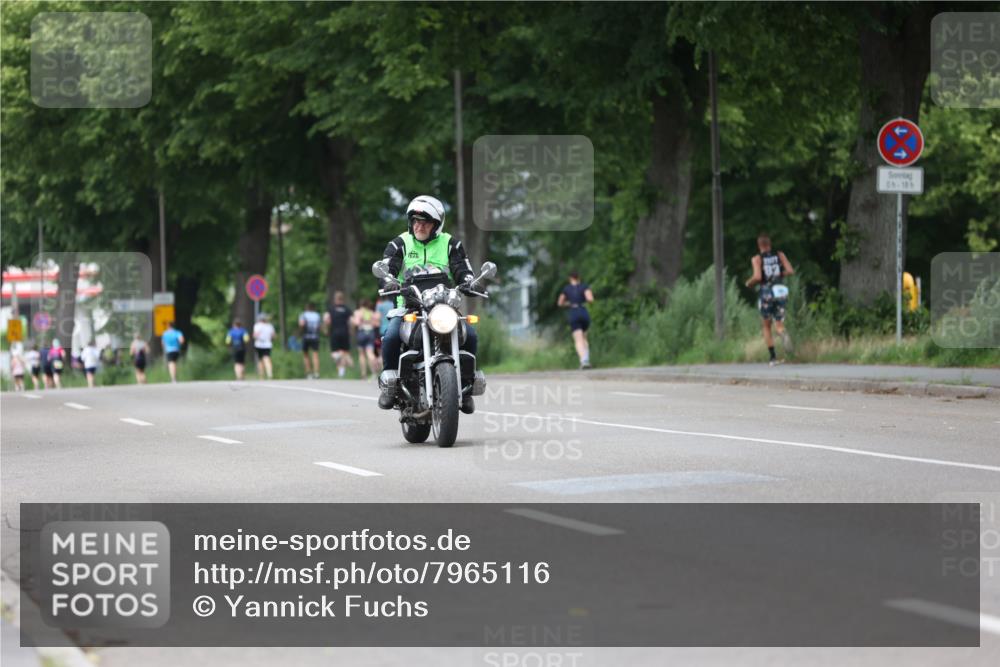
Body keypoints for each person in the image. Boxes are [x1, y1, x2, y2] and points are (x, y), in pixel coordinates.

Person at [376, 194, 478, 413]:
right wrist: (387, 280)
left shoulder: (450, 244)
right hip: (408, 306)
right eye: (415, 221)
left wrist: (470, 281)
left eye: (425, 222)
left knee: (470, 335)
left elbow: (462, 269)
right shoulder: (400, 243)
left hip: (443, 307)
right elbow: (388, 267)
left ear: (436, 225)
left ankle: (466, 388)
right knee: (391, 337)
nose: (419, 226)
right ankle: (389, 387)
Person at [745, 233, 795, 366]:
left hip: (767, 293)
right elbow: (790, 271)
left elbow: (757, 277)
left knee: (766, 326)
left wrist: (749, 283)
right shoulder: (780, 255)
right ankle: (782, 333)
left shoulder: (757, 259)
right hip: (780, 291)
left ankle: (773, 357)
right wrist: (779, 274)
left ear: (759, 245)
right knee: (779, 324)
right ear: (770, 244)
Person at [557, 271, 595, 369]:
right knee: (584, 337)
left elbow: (560, 303)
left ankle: (584, 361)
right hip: (583, 311)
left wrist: (569, 303)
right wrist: (582, 300)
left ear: (570, 278)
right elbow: (590, 299)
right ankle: (587, 359)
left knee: (578, 339)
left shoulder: (566, 289)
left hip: (574, 313)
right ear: (579, 278)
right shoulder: (584, 286)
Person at [324, 292, 354, 378]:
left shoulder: (331, 309)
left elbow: (326, 320)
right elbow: (351, 321)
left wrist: (326, 329)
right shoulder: (347, 309)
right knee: (345, 352)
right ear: (343, 299)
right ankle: (341, 371)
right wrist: (351, 330)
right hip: (345, 333)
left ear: (335, 299)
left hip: (334, 333)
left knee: (334, 353)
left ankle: (341, 363)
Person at [352, 298, 380, 380]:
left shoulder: (358, 312)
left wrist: (353, 320)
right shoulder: (371, 312)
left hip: (361, 332)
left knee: (361, 354)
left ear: (361, 305)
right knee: (370, 353)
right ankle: (375, 371)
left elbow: (356, 323)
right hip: (370, 333)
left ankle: (363, 374)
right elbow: (377, 324)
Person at [298, 303, 323, 379]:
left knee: (306, 355)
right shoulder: (317, 315)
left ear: (306, 308)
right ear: (313, 308)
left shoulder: (303, 315)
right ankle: (317, 373)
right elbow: (319, 326)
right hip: (315, 336)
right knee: (315, 355)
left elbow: (301, 324)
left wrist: (300, 332)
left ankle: (309, 373)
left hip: (306, 336)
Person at [252, 313, 275, 380]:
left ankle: (261, 375)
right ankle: (269, 374)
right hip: (268, 344)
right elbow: (273, 336)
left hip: (259, 344)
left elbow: (255, 335)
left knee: (260, 360)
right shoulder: (270, 326)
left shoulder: (257, 325)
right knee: (267, 359)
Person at [375, 293, 394, 358]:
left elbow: (377, 318)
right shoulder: (393, 304)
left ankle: (383, 362)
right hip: (393, 329)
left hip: (383, 330)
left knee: (383, 349)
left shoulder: (380, 305)